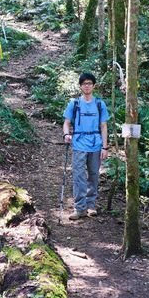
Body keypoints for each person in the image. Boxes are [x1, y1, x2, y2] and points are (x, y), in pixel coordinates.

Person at [62, 73, 109, 218]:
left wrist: (105, 147)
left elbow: (103, 126)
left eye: (89, 83)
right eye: (84, 83)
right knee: (79, 176)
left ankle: (91, 205)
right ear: (80, 86)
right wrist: (66, 134)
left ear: (94, 85)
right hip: (79, 143)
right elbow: (66, 122)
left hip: (96, 144)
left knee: (94, 174)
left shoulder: (100, 104)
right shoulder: (74, 104)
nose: (87, 86)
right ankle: (79, 207)